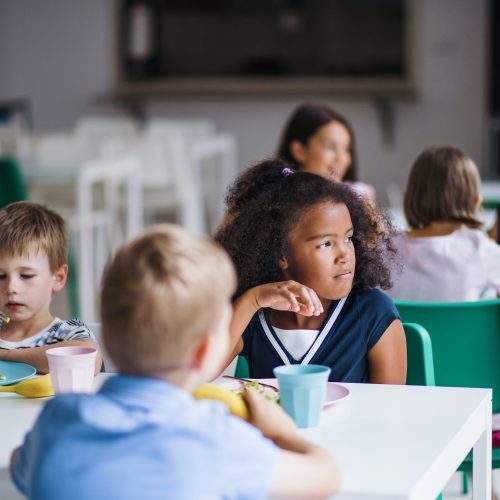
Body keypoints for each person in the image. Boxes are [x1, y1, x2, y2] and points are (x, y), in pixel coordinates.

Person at [10, 224, 340, 500]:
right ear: (205, 350)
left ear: (106, 337)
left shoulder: (58, 421)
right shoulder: (217, 438)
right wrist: (283, 433)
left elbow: (18, 465)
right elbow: (326, 476)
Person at [215, 159, 406, 383]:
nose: (344, 254)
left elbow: (389, 408)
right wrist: (252, 300)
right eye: (325, 244)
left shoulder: (373, 311)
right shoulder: (256, 315)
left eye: (348, 238)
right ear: (281, 254)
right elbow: (202, 370)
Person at [387, 146, 500, 302]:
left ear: (413, 196)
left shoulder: (385, 249)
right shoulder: (480, 249)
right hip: (461, 327)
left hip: (403, 327)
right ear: (475, 201)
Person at [0, 201, 102, 373]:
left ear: (58, 278)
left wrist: (6, 355)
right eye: (1, 276)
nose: (11, 288)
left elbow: (88, 358)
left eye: (26, 275)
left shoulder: (67, 333)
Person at [276, 103, 375, 199]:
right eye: (330, 147)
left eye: (346, 149)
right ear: (300, 151)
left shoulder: (360, 196)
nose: (341, 159)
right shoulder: (280, 200)